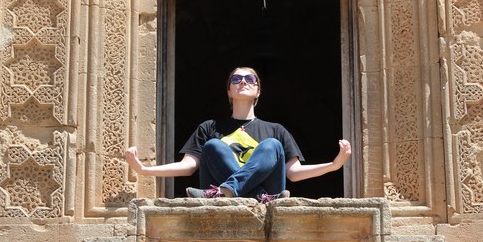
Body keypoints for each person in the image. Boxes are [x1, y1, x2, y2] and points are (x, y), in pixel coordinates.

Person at [125, 66, 352, 202]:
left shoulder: (276, 131)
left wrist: (334, 165)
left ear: (258, 91)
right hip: (266, 198)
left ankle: (225, 192)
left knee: (272, 145)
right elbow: (188, 166)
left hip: (234, 192)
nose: (243, 81)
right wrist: (145, 170)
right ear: (229, 91)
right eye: (236, 79)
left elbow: (293, 173)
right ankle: (257, 195)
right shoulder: (209, 128)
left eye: (250, 79)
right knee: (213, 146)